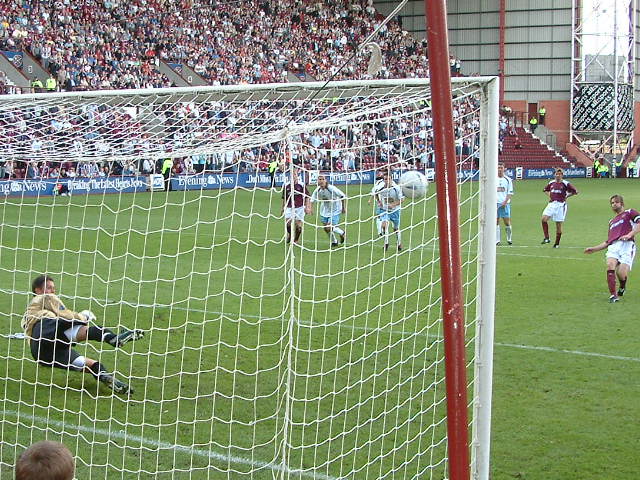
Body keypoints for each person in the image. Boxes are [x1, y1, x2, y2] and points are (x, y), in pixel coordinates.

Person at [22, 275, 144, 394]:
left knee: (91, 364)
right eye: (49, 287)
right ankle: (114, 338)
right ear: (37, 290)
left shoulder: (29, 311)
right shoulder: (45, 297)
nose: (52, 290)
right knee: (83, 328)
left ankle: (106, 377)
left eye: (53, 288)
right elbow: (65, 315)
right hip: (46, 329)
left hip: (40, 352)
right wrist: (83, 316)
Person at [584, 195, 640, 302]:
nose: (614, 204)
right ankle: (613, 295)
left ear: (622, 203)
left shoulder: (629, 212)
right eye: (612, 203)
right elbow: (608, 241)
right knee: (610, 265)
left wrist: (630, 234)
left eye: (616, 202)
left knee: (621, 273)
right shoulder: (612, 222)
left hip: (627, 245)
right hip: (613, 246)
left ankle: (622, 286)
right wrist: (594, 249)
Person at [541, 168, 578, 248]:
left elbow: (575, 191)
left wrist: (567, 196)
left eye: (560, 174)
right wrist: (550, 195)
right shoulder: (551, 183)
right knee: (544, 219)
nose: (558, 175)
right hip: (551, 204)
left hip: (560, 205)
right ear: (554, 175)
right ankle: (547, 238)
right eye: (556, 174)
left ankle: (556, 244)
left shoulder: (566, 183)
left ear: (562, 175)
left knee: (558, 225)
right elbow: (545, 190)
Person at [310, 175, 346, 247]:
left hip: (335, 210)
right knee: (326, 229)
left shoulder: (331, 188)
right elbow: (312, 199)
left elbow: (342, 196)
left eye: (322, 179)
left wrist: (343, 208)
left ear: (325, 180)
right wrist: (310, 208)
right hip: (324, 211)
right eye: (319, 179)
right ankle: (334, 242)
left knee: (328, 227)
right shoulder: (318, 190)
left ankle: (342, 233)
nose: (321, 181)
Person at [374, 172, 404, 252]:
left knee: (396, 228)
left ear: (392, 179)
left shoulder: (396, 188)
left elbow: (402, 199)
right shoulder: (380, 187)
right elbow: (375, 193)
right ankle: (386, 243)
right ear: (383, 180)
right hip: (385, 210)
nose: (387, 181)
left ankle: (399, 243)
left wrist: (394, 204)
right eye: (385, 179)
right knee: (384, 225)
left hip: (395, 211)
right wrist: (379, 201)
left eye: (389, 179)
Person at [281, 168, 310, 244]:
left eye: (295, 175)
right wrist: (283, 208)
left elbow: (307, 196)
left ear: (297, 176)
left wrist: (307, 207)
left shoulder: (301, 185)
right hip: (289, 207)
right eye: (292, 175)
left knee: (298, 225)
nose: (293, 176)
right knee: (288, 223)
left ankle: (296, 239)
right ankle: (290, 234)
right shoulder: (287, 185)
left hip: (300, 207)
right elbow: (284, 198)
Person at [496, 164, 514, 245]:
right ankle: (497, 240)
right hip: (495, 204)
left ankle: (509, 239)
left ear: (504, 169)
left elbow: (510, 192)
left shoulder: (508, 180)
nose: (500, 169)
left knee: (507, 222)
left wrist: (505, 202)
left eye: (501, 168)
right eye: (498, 168)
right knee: (496, 222)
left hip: (505, 204)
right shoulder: (493, 179)